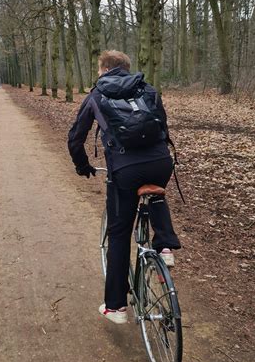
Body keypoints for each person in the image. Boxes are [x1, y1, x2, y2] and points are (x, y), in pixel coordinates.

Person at [68, 50, 181, 324]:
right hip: (161, 161)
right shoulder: (147, 89)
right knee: (155, 191)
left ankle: (116, 307)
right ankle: (165, 247)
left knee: (118, 234)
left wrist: (83, 166)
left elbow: (75, 138)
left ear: (103, 69)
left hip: (125, 169)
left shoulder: (97, 94)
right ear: (127, 68)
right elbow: (162, 128)